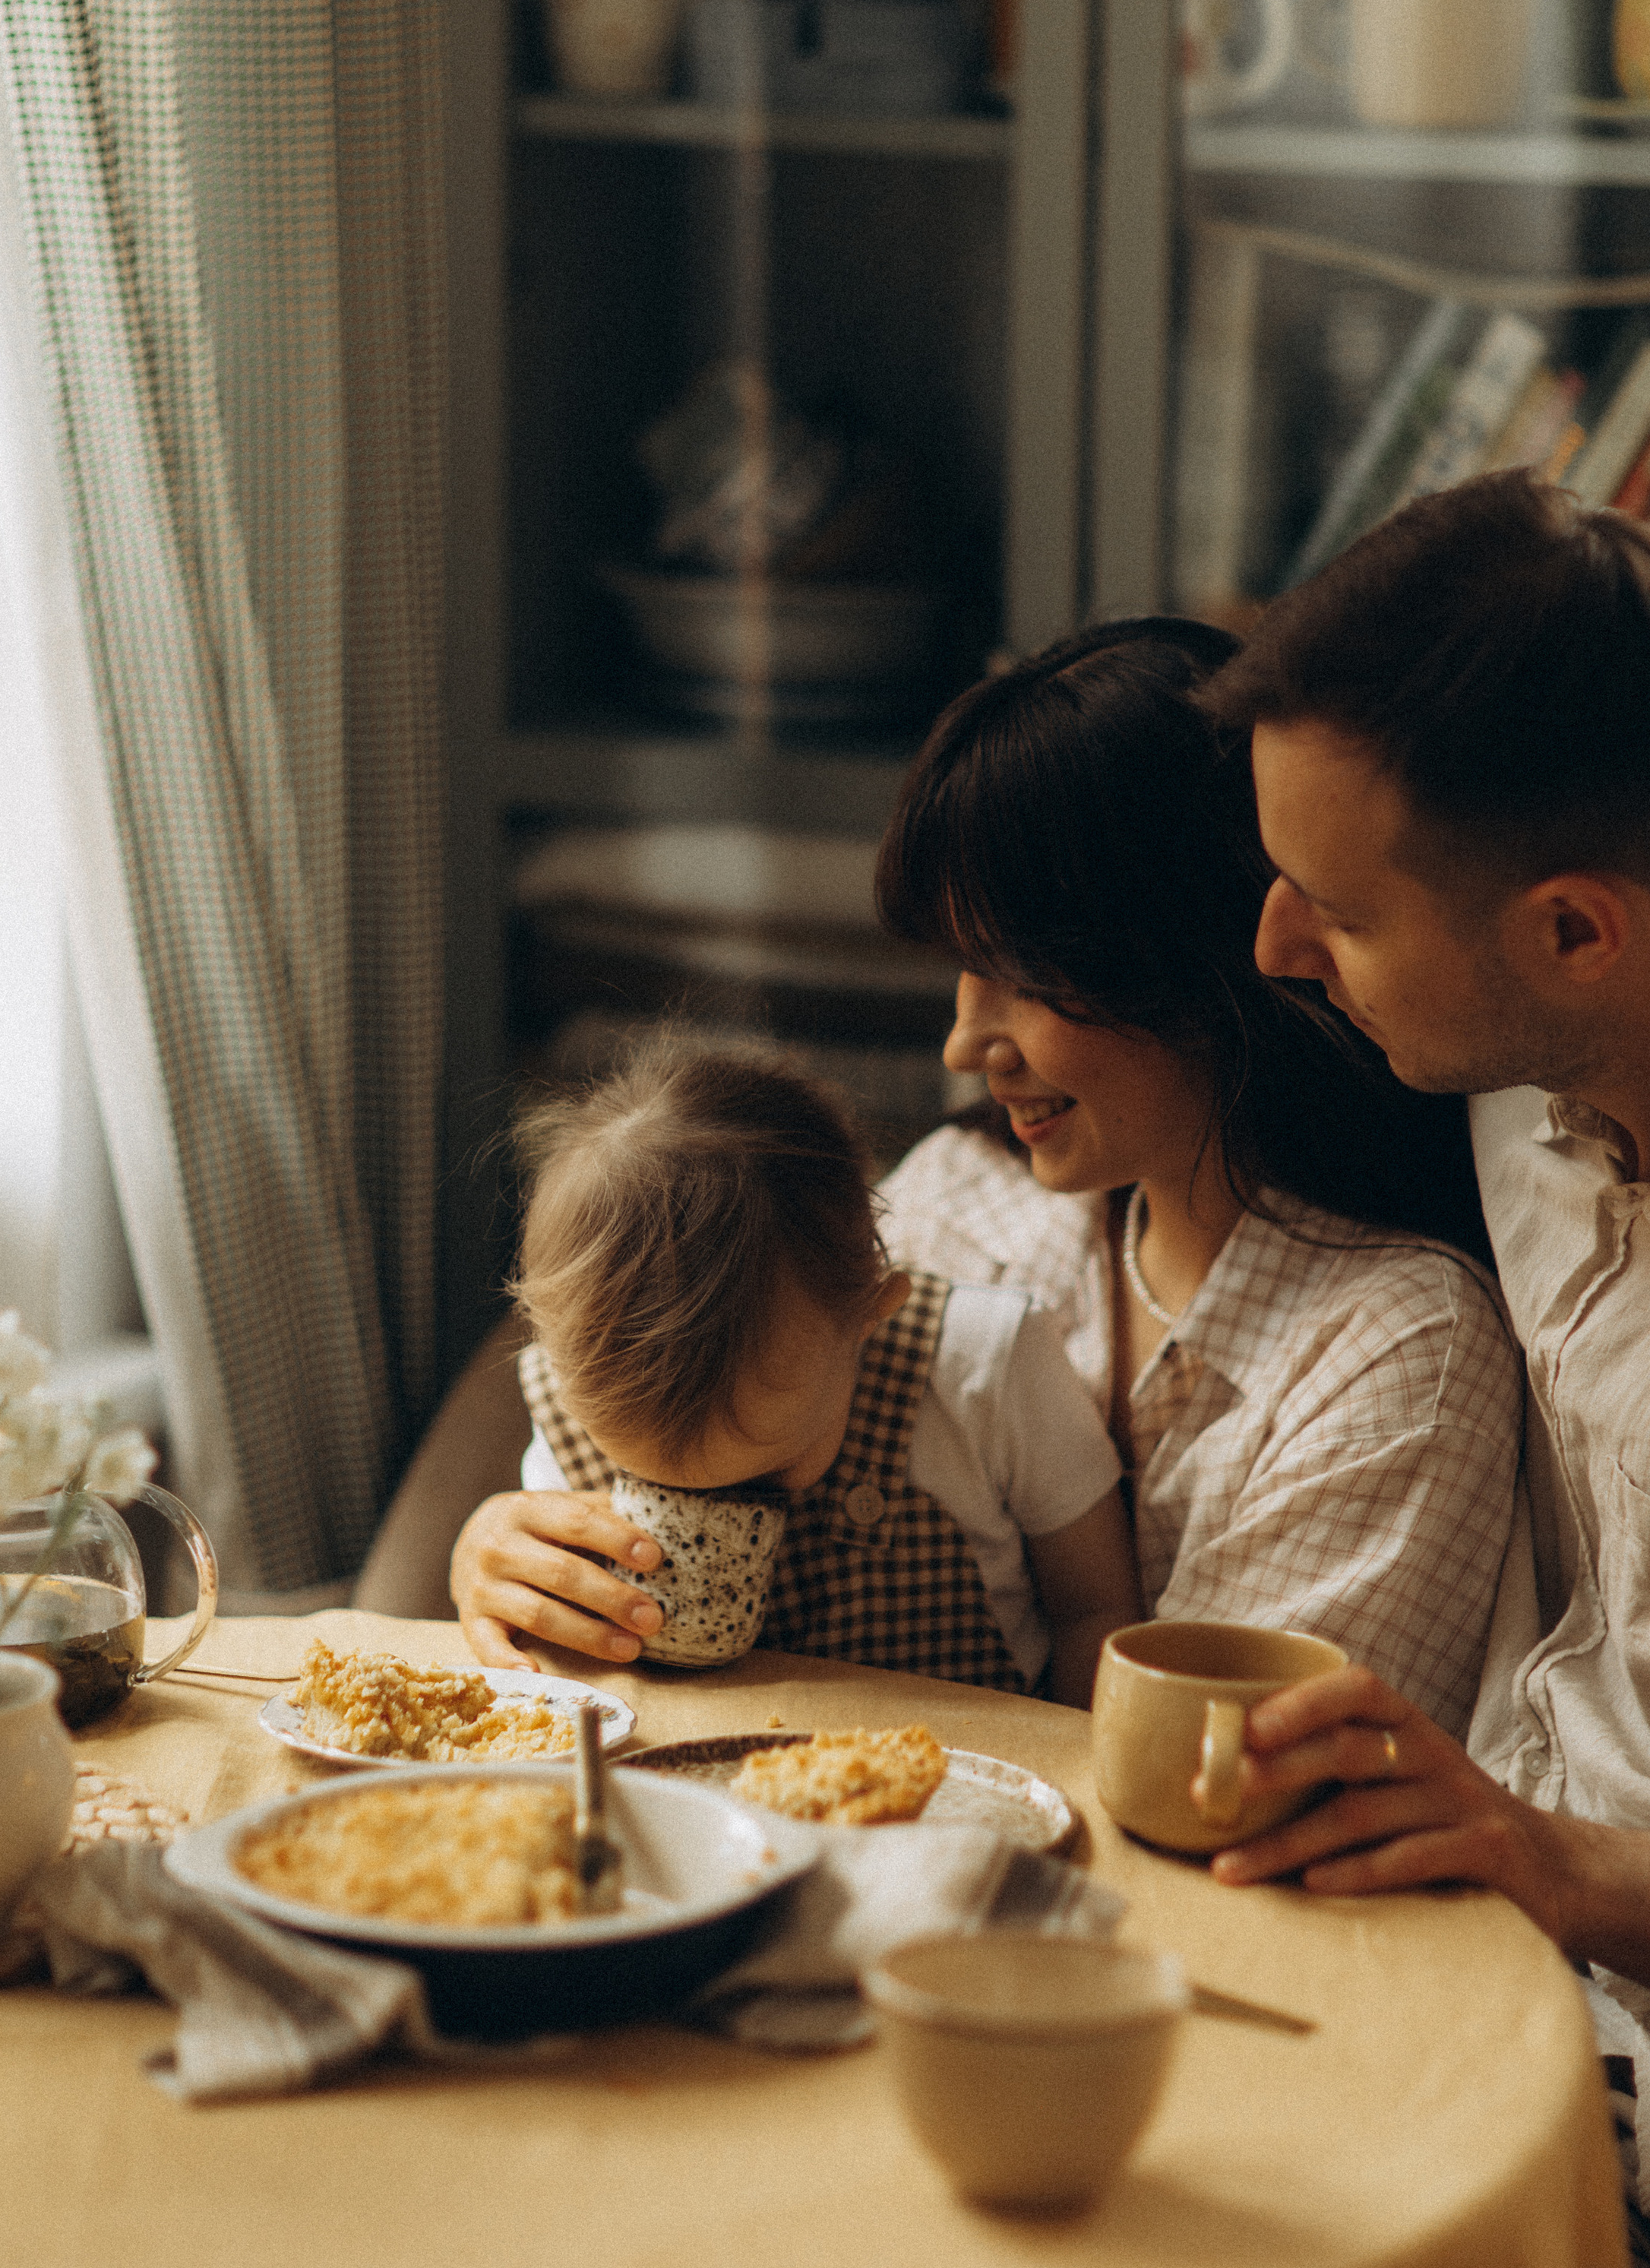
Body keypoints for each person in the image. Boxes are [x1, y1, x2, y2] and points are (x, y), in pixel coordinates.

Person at [1193, 470, 1650, 2268]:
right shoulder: (1535, 1048)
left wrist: (1546, 1861)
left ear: (1572, 931)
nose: (1272, 949)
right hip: (1478, 2044)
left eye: (1336, 912)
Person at [444, 619, 1521, 1738]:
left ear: (1200, 965)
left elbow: (1215, 1779)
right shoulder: (965, 1196)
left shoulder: (1390, 1357)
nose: (965, 1044)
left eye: (1023, 975)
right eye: (963, 968)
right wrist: (506, 1557)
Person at [450, 1037, 1142, 1703]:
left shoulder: (989, 1363)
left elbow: (1095, 1612)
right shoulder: (570, 1404)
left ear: (869, 1314)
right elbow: (549, 1622)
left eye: (767, 1475)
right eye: (650, 1483)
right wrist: (491, 1573)